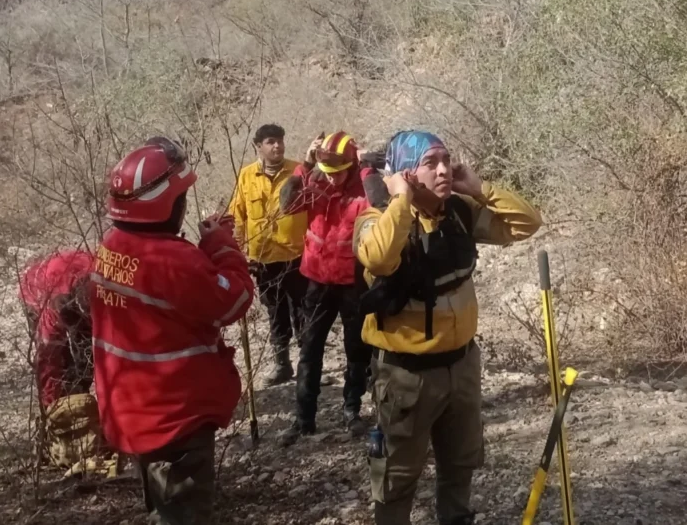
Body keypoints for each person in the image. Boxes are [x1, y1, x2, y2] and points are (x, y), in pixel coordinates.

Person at [354, 130, 542, 525]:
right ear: (405, 173)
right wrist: (401, 200)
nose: (443, 170)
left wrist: (481, 189)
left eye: (447, 160)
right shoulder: (378, 218)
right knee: (397, 479)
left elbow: (526, 224)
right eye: (430, 163)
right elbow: (378, 259)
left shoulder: (459, 212)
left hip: (462, 367)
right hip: (406, 376)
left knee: (460, 468)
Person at [91, 137, 255, 525]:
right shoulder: (173, 261)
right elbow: (234, 300)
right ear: (169, 203)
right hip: (176, 421)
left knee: (164, 508)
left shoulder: (113, 244)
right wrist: (222, 246)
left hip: (136, 413)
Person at [278, 130, 380, 443]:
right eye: (328, 173)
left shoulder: (364, 188)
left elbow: (381, 202)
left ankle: (353, 411)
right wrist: (305, 166)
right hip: (317, 282)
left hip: (353, 282)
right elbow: (287, 204)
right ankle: (303, 419)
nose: (333, 180)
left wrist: (366, 168)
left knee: (356, 350)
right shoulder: (315, 182)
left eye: (339, 173)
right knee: (309, 350)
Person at [228, 123, 309, 385]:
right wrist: (239, 253)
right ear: (258, 147)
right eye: (271, 142)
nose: (277, 146)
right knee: (275, 312)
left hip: (296, 254)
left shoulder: (298, 171)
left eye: (280, 141)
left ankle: (308, 363)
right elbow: (237, 216)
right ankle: (282, 364)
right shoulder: (246, 176)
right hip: (263, 258)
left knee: (302, 309)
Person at [19, 248, 108, 473]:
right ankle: (56, 439)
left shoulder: (103, 275)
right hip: (36, 291)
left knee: (85, 364)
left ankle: (92, 422)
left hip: (76, 287)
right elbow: (48, 361)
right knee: (64, 373)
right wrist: (54, 406)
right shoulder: (54, 306)